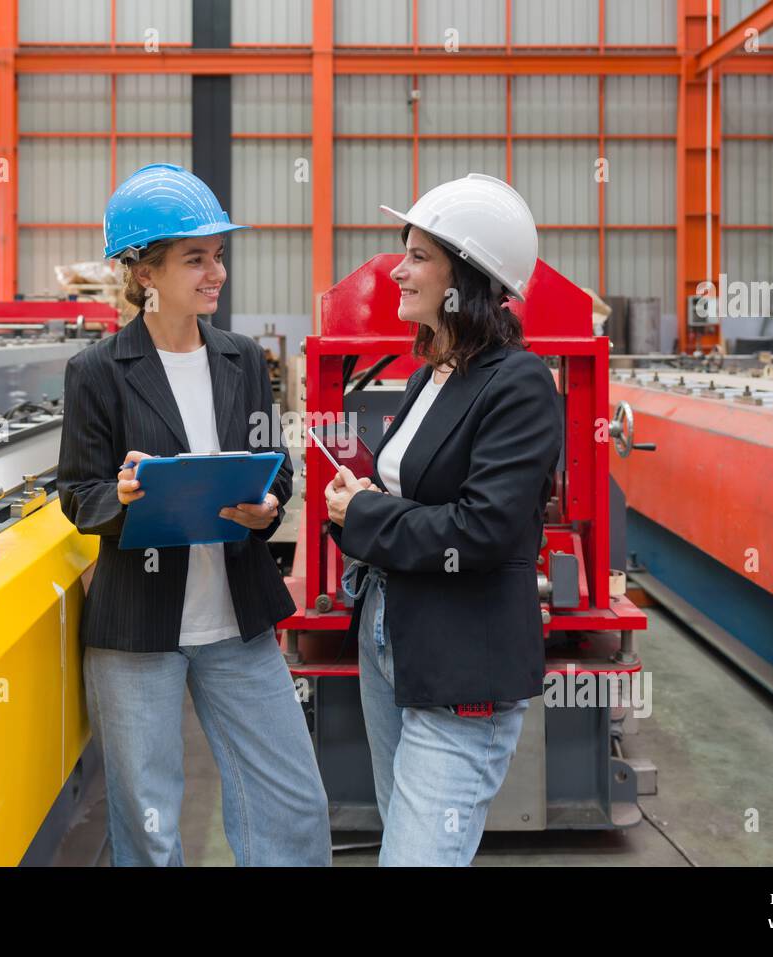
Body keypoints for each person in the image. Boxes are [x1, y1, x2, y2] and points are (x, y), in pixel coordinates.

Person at [57, 163, 331, 866]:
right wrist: (117, 498)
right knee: (148, 822)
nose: (217, 273)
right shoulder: (98, 370)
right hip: (138, 625)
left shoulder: (240, 359)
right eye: (196, 258)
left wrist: (268, 505)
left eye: (218, 256)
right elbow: (76, 492)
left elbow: (279, 469)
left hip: (236, 615)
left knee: (292, 800)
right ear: (145, 272)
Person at [324, 173, 563, 866]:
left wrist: (366, 511)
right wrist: (357, 501)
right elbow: (418, 497)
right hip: (388, 637)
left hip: (462, 667)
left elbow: (481, 530)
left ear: (469, 277)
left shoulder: (518, 383)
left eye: (420, 255)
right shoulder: (434, 373)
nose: (398, 269)